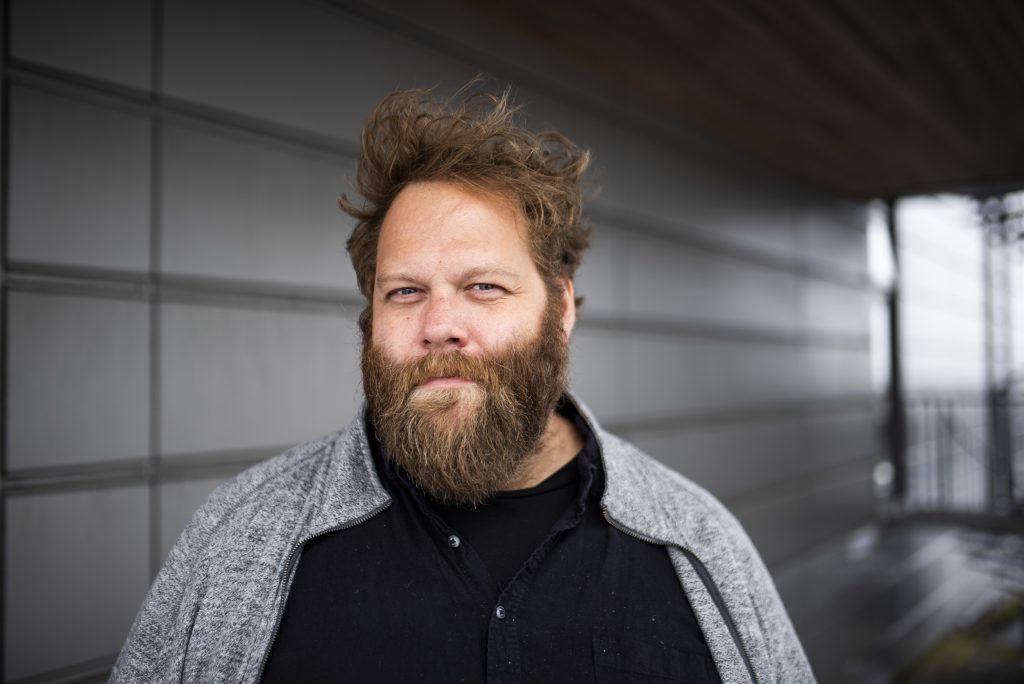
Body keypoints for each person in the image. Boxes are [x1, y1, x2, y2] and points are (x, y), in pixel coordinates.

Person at [113, 86, 814, 683]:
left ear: (560, 309)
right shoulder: (242, 538)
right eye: (405, 291)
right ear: (372, 316)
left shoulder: (698, 544)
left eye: (483, 287)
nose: (439, 325)